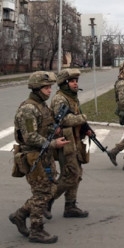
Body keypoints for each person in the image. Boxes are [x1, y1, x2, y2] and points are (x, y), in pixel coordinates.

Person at [9, 71, 69, 243]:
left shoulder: (42, 106)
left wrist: (54, 131)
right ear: (36, 88)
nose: (49, 90)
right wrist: (52, 143)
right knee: (41, 193)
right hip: (33, 156)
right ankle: (36, 230)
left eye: (50, 87)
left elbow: (44, 128)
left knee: (50, 190)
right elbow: (30, 136)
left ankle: (20, 215)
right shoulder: (29, 109)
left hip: (45, 155)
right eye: (46, 87)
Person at [46, 68, 90, 219]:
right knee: (70, 174)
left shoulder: (71, 97)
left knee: (76, 174)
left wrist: (85, 128)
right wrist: (82, 118)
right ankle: (46, 200)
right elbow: (63, 120)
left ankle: (70, 205)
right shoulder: (60, 99)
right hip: (64, 142)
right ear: (65, 83)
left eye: (76, 81)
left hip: (74, 140)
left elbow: (74, 115)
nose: (75, 84)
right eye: (72, 81)